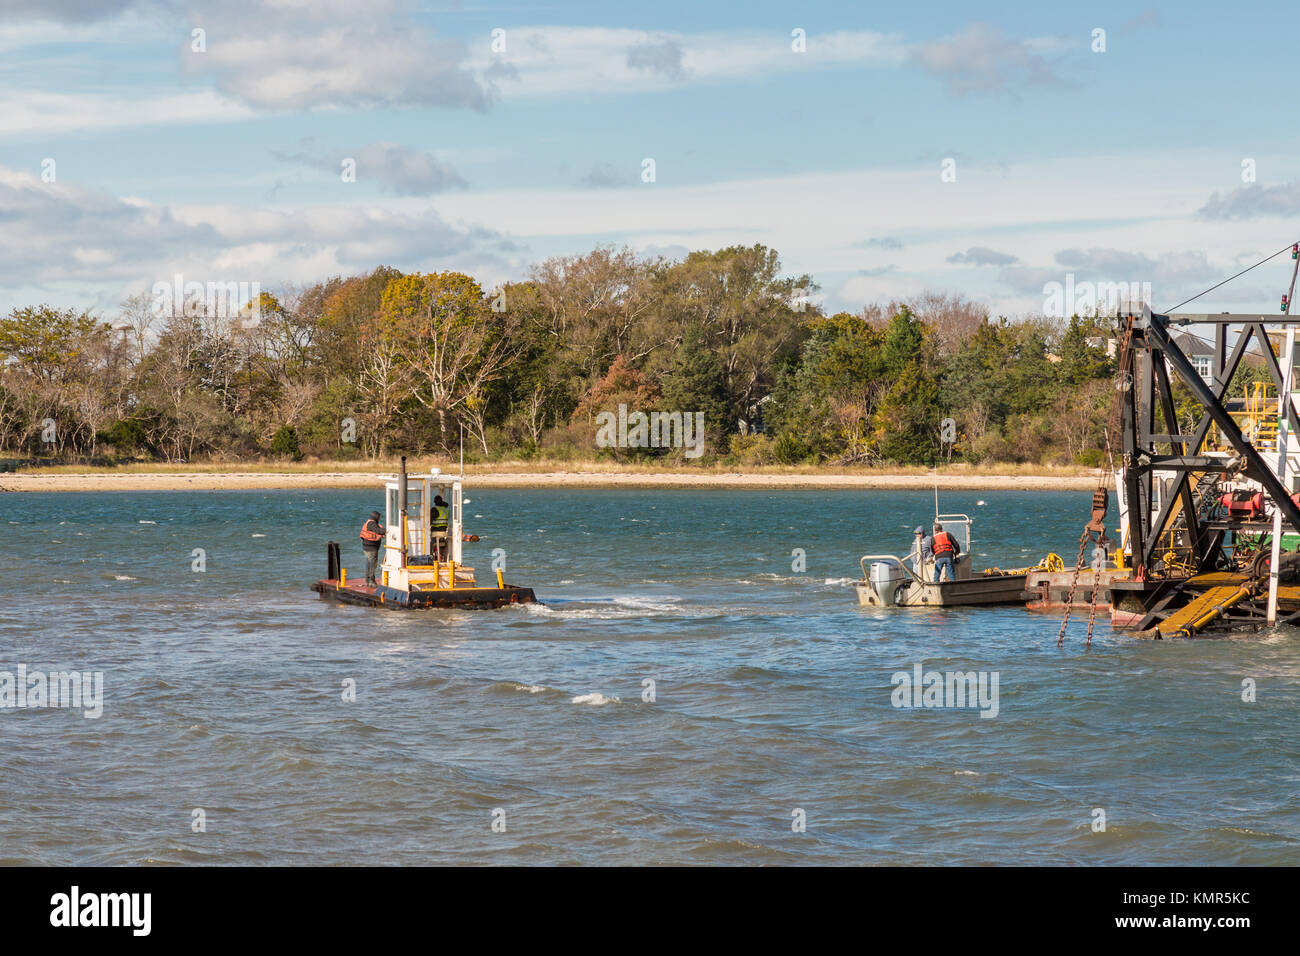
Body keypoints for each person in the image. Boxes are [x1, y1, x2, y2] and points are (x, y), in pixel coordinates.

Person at [360, 510, 385, 586]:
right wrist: (388, 530)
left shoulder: (369, 522)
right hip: (371, 548)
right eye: (378, 517)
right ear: (376, 517)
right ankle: (372, 581)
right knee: (372, 565)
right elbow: (378, 531)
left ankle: (367, 581)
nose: (379, 519)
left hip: (366, 547)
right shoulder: (372, 524)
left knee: (368, 564)